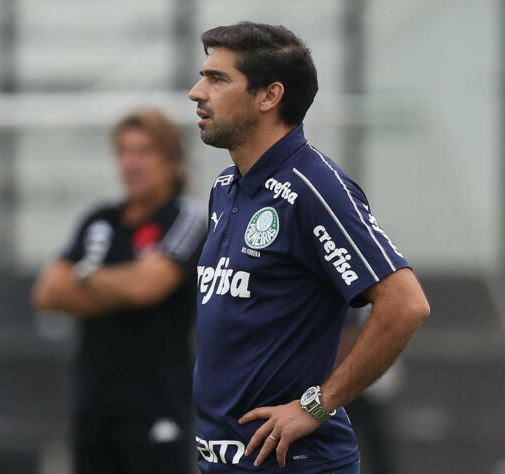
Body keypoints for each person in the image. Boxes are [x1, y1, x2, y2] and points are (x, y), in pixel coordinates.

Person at [188, 22, 430, 473]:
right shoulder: (226, 188)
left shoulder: (314, 187)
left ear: (269, 96)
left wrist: (316, 406)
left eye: (217, 79)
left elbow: (405, 303)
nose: (196, 92)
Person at [32, 109, 206, 474]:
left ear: (173, 162)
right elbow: (47, 292)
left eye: (144, 151)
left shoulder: (184, 217)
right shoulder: (99, 219)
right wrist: (120, 286)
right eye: (125, 151)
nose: (132, 163)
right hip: (93, 407)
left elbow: (148, 286)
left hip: (157, 408)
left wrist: (85, 278)